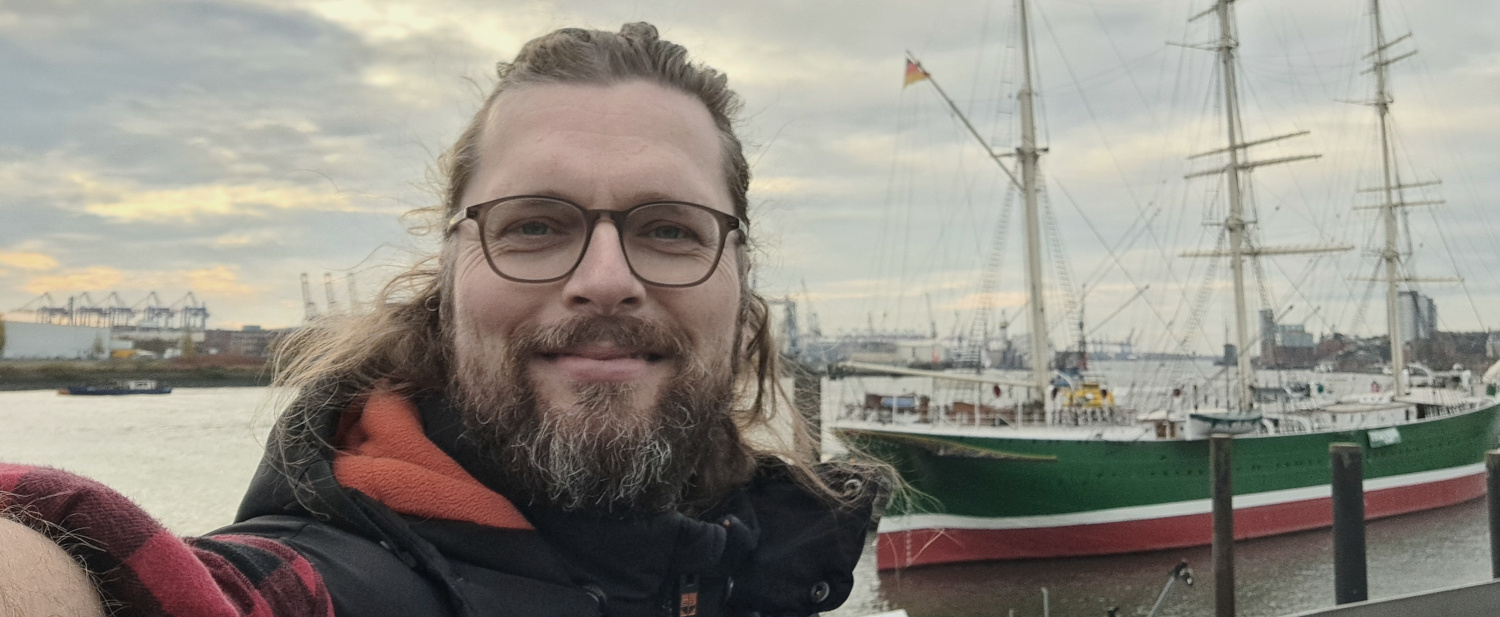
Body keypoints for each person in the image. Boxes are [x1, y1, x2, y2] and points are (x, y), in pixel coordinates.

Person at [0, 22, 884, 617]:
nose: (606, 280)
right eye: (534, 225)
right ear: (449, 269)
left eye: (670, 229)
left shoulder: (764, 556)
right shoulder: (334, 581)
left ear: (741, 276)